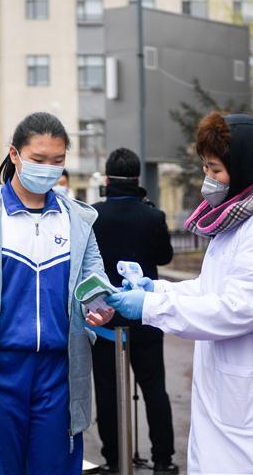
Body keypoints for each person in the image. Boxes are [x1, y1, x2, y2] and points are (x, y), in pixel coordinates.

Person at [100, 113, 253, 474]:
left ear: (246, 168)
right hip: (234, 398)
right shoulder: (237, 221)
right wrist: (154, 287)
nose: (209, 178)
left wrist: (151, 306)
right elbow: (212, 290)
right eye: (205, 167)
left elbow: (238, 308)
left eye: (216, 169)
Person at [0, 112, 105, 475]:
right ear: (14, 155)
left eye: (57, 161)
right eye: (38, 159)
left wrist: (99, 310)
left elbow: (95, 287)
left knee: (54, 468)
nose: (48, 169)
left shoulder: (78, 220)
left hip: (59, 372)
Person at [89, 148, 177, 475]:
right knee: (154, 389)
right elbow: (165, 257)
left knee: (109, 393)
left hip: (104, 316)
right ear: (138, 179)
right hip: (145, 314)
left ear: (108, 179)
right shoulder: (152, 216)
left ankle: (115, 459)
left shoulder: (94, 215)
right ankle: (163, 460)